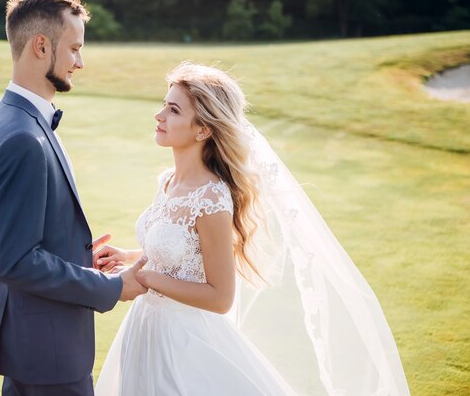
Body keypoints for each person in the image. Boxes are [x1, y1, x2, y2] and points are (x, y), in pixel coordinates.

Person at [93, 63, 411, 396]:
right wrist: (128, 256)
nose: (158, 115)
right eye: (163, 105)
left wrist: (144, 278)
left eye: (173, 110)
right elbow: (181, 252)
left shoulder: (212, 198)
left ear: (203, 129)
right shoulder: (168, 182)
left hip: (182, 341)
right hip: (145, 329)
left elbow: (220, 297)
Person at [0, 0, 147, 396]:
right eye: (74, 48)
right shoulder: (23, 137)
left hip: (26, 344)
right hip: (49, 353)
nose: (79, 62)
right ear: (41, 45)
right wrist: (112, 287)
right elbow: (12, 260)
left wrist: (70, 250)